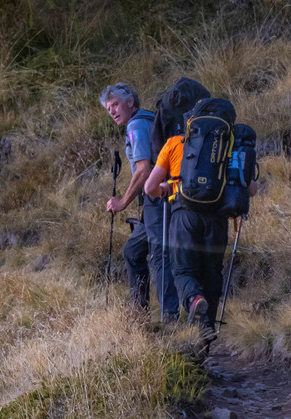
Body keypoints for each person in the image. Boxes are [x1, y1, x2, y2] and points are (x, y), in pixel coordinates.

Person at [144, 115, 257, 342]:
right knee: (212, 274)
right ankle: (206, 332)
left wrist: (165, 191)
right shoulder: (230, 145)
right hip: (217, 220)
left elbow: (149, 187)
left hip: (184, 215)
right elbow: (251, 188)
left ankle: (194, 299)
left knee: (183, 269)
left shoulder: (174, 143)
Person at [100, 82, 155, 313]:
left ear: (130, 102)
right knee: (141, 251)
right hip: (166, 197)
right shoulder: (150, 120)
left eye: (115, 105)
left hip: (158, 199)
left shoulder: (136, 126)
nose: (112, 111)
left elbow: (144, 169)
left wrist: (122, 202)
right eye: (108, 108)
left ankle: (139, 314)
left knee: (135, 252)